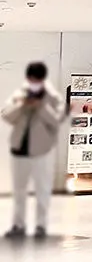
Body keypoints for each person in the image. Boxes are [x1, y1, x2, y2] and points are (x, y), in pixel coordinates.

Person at [2, 62, 64, 239]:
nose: (33, 82)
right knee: (19, 191)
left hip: (42, 151)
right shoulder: (20, 94)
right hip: (19, 150)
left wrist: (41, 107)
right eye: (31, 79)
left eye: (36, 80)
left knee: (42, 190)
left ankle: (41, 226)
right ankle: (18, 225)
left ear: (42, 80)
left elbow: (56, 121)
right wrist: (22, 105)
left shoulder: (53, 98)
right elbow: (6, 115)